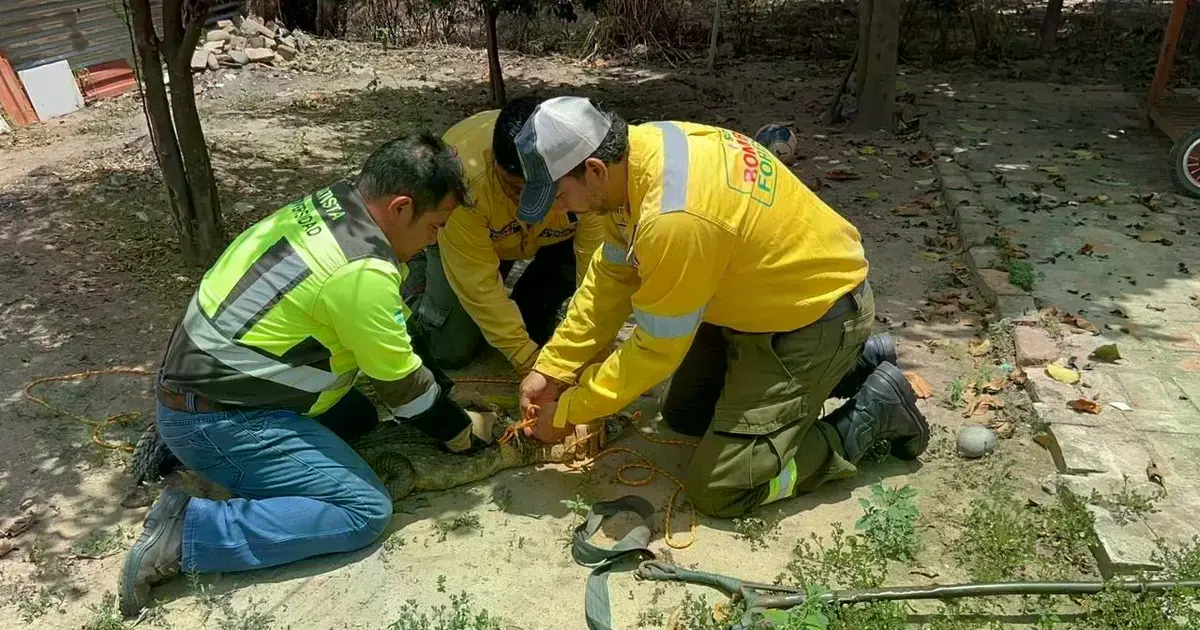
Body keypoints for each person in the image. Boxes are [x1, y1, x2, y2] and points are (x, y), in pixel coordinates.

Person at [119, 133, 490, 616]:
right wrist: (461, 434)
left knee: (355, 415)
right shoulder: (360, 272)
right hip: (215, 416)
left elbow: (398, 333)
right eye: (436, 226)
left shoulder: (336, 204)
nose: (434, 240)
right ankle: (187, 534)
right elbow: (406, 393)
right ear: (400, 207)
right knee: (364, 511)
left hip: (199, 383)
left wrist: (442, 389)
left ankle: (199, 444)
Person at [515, 97, 928, 518]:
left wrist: (568, 411)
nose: (558, 209)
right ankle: (858, 361)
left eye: (561, 195)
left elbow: (656, 350)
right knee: (684, 416)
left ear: (595, 170)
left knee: (720, 487)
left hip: (814, 315)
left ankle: (876, 411)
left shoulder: (672, 218)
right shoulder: (642, 149)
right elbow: (611, 276)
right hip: (760, 301)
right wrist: (552, 367)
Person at [402, 97, 606, 372]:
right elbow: (478, 284)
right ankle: (417, 267)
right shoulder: (464, 185)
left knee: (532, 329)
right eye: (513, 188)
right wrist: (526, 360)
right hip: (472, 245)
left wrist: (596, 349)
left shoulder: (579, 169)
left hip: (549, 240)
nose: (526, 204)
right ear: (494, 163)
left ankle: (529, 308)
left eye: (545, 193)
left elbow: (596, 269)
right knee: (449, 349)